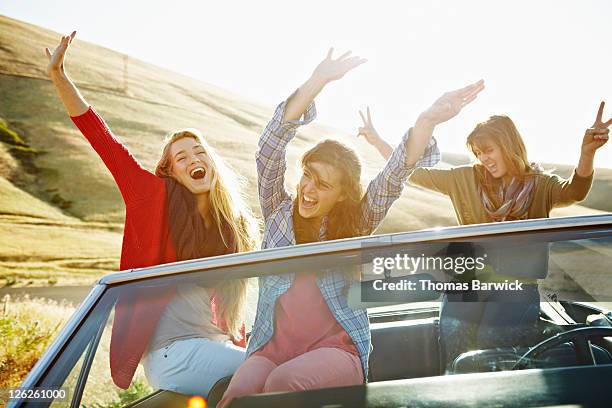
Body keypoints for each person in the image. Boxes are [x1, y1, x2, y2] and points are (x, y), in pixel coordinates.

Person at [219, 49, 483, 406]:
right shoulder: (278, 213)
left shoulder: (355, 223)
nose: (308, 190)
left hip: (337, 352)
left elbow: (393, 176)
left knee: (282, 383)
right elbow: (269, 148)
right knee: (236, 395)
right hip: (274, 348)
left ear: (343, 196)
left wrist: (426, 122)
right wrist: (318, 80)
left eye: (323, 185)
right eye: (308, 176)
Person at [45, 32, 259, 396]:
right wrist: (59, 77)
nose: (194, 160)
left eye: (199, 152)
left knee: (277, 365)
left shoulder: (232, 225)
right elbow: (105, 142)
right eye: (182, 157)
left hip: (215, 346)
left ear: (211, 161)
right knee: (267, 374)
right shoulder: (154, 197)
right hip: (172, 353)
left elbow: (231, 303)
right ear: (171, 171)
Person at [358, 98, 610, 371]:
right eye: (478, 152)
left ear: (509, 146)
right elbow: (414, 173)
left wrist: (587, 154)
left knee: (493, 344)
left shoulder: (539, 185)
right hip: (469, 281)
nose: (484, 159)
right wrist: (377, 141)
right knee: (454, 337)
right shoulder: (465, 178)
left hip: (516, 287)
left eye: (489, 150)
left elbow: (575, 191)